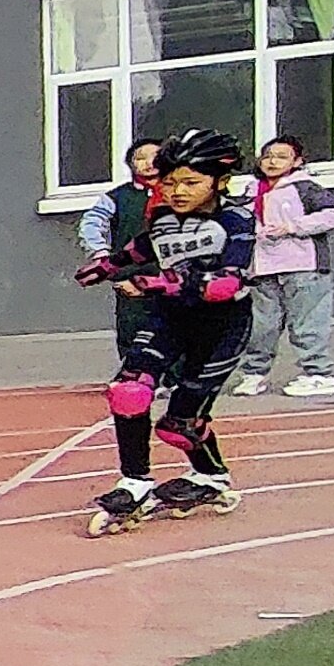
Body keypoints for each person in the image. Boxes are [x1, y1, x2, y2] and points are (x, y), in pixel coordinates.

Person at [79, 132, 258, 534]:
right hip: (168, 318)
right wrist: (107, 266)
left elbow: (226, 283)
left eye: (191, 182)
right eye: (170, 182)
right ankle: (135, 482)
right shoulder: (162, 217)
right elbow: (142, 248)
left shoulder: (236, 220)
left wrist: (165, 282)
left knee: (178, 424)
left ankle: (211, 476)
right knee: (128, 391)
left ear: (219, 181)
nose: (177, 191)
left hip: (221, 327)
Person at [250, 135, 334, 397]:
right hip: (263, 267)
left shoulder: (305, 188)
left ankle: (319, 373)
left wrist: (292, 227)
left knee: (307, 321)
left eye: (281, 156)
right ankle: (254, 373)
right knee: (262, 324)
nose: (272, 161)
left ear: (297, 161)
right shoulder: (252, 189)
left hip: (304, 264)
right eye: (268, 155)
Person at [80, 135, 175, 376]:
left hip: (170, 274)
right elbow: (91, 224)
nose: (148, 163)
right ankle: (134, 374)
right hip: (129, 273)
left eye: (154, 156)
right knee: (131, 326)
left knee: (173, 325)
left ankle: (173, 377)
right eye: (139, 158)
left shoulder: (179, 192)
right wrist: (102, 256)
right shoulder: (118, 197)